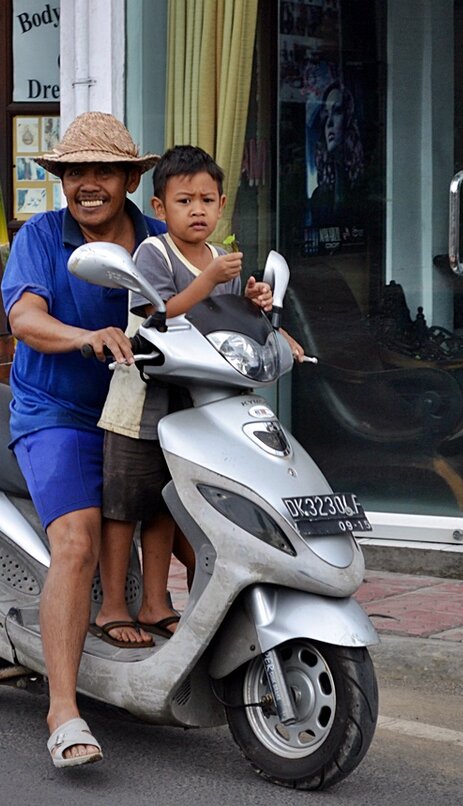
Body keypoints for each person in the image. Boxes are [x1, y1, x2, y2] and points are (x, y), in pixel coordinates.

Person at [0, 111, 164, 769]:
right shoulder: (41, 236)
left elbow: (204, 292)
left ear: (128, 177)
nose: (87, 184)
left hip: (142, 413)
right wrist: (83, 336)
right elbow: (26, 318)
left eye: (102, 171)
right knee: (76, 542)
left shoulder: (158, 239)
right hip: (56, 412)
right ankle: (63, 710)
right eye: (75, 172)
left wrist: (262, 312)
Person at [94, 145, 306, 649]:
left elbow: (222, 323)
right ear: (160, 207)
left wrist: (250, 301)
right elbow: (160, 313)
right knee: (125, 505)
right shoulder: (152, 252)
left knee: (168, 503)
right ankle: (112, 606)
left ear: (222, 204)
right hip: (141, 401)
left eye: (207, 200)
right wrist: (211, 282)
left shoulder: (221, 260)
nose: (197, 211)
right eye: (184, 200)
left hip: (195, 404)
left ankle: (155, 602)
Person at [308, 81, 365, 227]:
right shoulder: (318, 197)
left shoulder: (361, 190)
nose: (329, 123)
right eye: (326, 115)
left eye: (337, 111)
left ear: (348, 118)